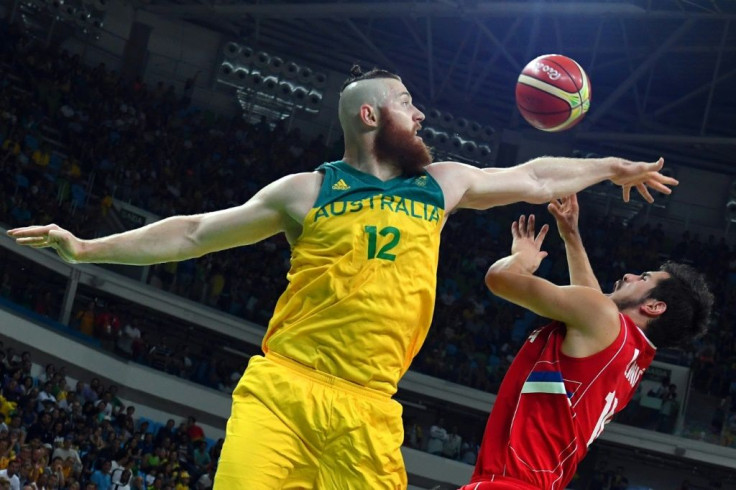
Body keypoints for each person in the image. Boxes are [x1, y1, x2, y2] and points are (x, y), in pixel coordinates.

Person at [8, 66, 677, 489]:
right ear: (371, 117)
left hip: (370, 408)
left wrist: (612, 165)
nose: (422, 117)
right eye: (409, 105)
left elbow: (535, 176)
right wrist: (89, 250)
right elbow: (193, 231)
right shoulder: (304, 191)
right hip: (284, 391)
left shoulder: (441, 185)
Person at [461, 194, 713, 490]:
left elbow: (498, 278)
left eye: (643, 278)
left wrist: (522, 259)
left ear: (654, 306)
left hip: (507, 482)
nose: (629, 275)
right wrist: (570, 235)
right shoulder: (633, 357)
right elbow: (592, 299)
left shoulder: (602, 318)